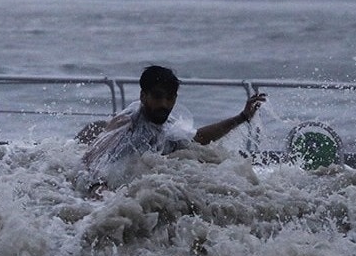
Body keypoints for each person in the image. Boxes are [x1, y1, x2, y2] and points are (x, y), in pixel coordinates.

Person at [82, 65, 266, 186]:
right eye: (158, 96)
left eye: (170, 98)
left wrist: (242, 117)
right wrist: (98, 191)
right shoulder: (127, 123)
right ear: (143, 96)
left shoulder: (164, 125)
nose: (164, 104)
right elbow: (95, 157)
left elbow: (197, 139)